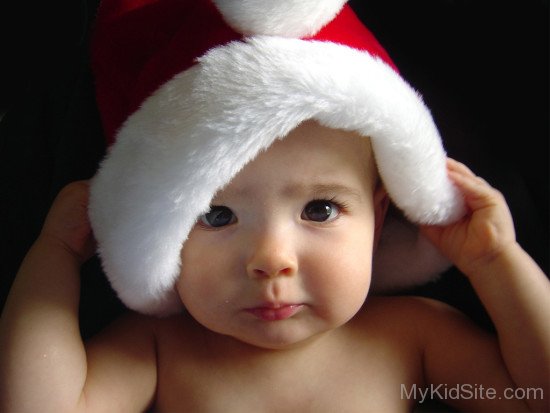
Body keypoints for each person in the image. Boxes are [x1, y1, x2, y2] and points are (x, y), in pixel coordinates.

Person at [1, 120, 548, 412]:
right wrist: (54, 254)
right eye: (217, 215)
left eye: (320, 209)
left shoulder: (412, 335)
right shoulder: (159, 350)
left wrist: (494, 262)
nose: (271, 259)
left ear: (378, 221)